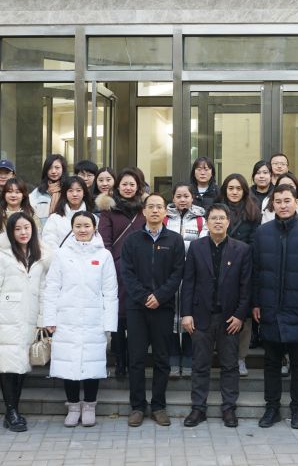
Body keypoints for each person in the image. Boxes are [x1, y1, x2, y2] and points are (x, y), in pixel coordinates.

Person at [253, 185, 298, 430]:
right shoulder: (262, 233)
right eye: (278, 201)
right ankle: (272, 408)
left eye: (287, 200)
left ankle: (297, 409)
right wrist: (256, 302)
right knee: (271, 362)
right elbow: (255, 271)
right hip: (270, 307)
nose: (283, 205)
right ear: (272, 205)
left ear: (297, 202)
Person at [180, 203, 253, 428]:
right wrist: (186, 314)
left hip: (229, 318)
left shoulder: (242, 249)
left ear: (228, 222)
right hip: (200, 316)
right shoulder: (196, 247)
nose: (218, 222)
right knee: (200, 365)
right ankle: (198, 408)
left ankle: (229, 408)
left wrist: (240, 315)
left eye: (222, 218)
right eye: (214, 218)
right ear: (207, 222)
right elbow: (188, 282)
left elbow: (246, 286)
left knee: (230, 365)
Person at [44, 211, 117, 428]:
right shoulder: (61, 254)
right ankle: (73, 406)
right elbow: (51, 288)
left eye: (87, 226)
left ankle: (90, 406)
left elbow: (110, 291)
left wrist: (109, 324)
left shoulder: (104, 255)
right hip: (66, 319)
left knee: (92, 364)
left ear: (94, 228)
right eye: (78, 226)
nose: (82, 230)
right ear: (72, 228)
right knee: (68, 364)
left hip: (94, 319)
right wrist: (50, 319)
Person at [121, 194, 186, 427]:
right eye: (151, 207)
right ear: (144, 211)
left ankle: (158, 406)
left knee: (161, 359)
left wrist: (159, 296)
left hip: (163, 308)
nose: (155, 210)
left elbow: (177, 273)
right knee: (136, 358)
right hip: (136, 308)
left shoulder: (175, 240)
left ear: (165, 212)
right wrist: (143, 296)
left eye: (159, 207)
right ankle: (137, 407)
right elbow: (127, 273)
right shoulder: (131, 240)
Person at [0, 213, 54, 432]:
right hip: (5, 316)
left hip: (30, 317)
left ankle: (14, 408)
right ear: (10, 232)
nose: (23, 232)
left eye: (27, 228)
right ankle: (11, 411)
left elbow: (44, 290)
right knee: (8, 365)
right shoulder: (2, 255)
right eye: (18, 229)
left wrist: (43, 318)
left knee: (22, 364)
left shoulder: (41, 255)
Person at [96, 167, 146, 377]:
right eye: (124, 184)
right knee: (117, 317)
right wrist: (110, 267)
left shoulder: (145, 209)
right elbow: (104, 242)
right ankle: (120, 361)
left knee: (136, 318)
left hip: (141, 270)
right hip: (116, 270)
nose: (128, 188)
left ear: (139, 187)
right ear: (117, 186)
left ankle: (134, 361)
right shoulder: (109, 210)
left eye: (132, 184)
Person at [216, 173, 262, 375]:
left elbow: (254, 241)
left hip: (244, 265)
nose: (234, 192)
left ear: (245, 191)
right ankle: (223, 355)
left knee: (243, 313)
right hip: (218, 265)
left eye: (238, 188)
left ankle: (241, 358)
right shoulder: (217, 210)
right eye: (230, 188)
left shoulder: (253, 211)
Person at [165, 183, 208, 377]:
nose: (182, 200)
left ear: (192, 198)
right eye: (178, 196)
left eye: (186, 196)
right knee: (171, 318)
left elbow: (203, 247)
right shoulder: (165, 218)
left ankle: (189, 359)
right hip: (169, 276)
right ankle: (174, 359)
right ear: (173, 198)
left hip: (193, 276)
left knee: (190, 316)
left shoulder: (201, 221)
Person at [42, 175, 98, 248]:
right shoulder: (54, 218)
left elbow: (97, 243)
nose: (74, 194)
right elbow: (49, 243)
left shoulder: (94, 218)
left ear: (84, 193)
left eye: (78, 190)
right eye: (70, 191)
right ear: (65, 193)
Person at [0, 177, 39, 249]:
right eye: (9, 192)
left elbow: (37, 240)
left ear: (23, 195)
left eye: (17, 192)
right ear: (4, 194)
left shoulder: (32, 216)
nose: (13, 195)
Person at [29, 154, 68, 227]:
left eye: (57, 168)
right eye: (50, 168)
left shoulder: (68, 190)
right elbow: (30, 213)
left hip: (64, 231)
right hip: (43, 232)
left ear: (63, 169)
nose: (53, 171)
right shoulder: (38, 192)